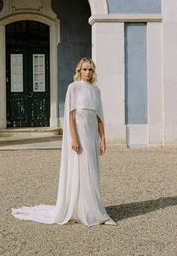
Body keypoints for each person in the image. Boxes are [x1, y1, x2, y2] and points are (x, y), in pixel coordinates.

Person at [11, 57, 117, 227]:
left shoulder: (96, 90)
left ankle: (91, 208)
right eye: (85, 69)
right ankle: (78, 209)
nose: (88, 72)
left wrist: (103, 139)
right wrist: (74, 138)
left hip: (91, 135)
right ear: (79, 71)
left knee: (91, 169)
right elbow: (70, 114)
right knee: (80, 168)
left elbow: (99, 118)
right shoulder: (73, 88)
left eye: (90, 69)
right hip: (80, 134)